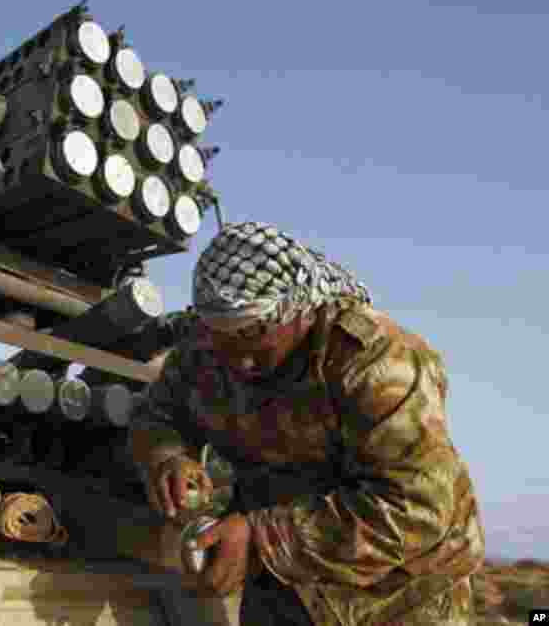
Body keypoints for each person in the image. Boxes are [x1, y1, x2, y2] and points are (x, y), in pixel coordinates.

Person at [129, 222, 485, 625]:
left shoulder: (375, 363)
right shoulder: (205, 347)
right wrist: (167, 458)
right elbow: (156, 414)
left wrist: (262, 540)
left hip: (397, 598)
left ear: (299, 313)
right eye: (225, 349)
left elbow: (416, 509)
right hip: (282, 591)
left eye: (257, 352)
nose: (241, 366)